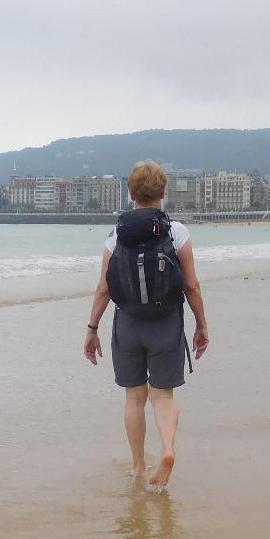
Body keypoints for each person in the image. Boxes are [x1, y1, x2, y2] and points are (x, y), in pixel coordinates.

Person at [84, 161, 210, 491]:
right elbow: (191, 285)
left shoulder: (116, 235)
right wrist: (201, 325)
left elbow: (103, 288)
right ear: (163, 193)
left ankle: (139, 467)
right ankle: (167, 449)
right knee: (163, 396)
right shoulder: (176, 232)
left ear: (131, 193)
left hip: (128, 323)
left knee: (134, 398)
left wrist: (92, 328)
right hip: (166, 322)